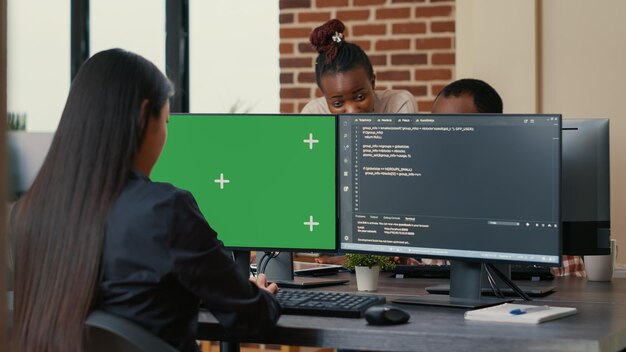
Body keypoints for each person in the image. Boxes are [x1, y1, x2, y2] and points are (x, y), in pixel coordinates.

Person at [9, 49, 280, 352]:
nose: (165, 134)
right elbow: (250, 317)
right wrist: (261, 297)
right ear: (143, 115)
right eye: (166, 121)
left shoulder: (26, 214)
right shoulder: (165, 211)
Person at [430, 78, 584, 277]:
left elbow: (571, 288)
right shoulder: (431, 199)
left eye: (455, 129)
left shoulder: (537, 199)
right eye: (435, 127)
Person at [301, 18, 417, 115]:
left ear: (372, 83)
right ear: (325, 97)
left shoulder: (398, 104)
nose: (352, 111)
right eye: (337, 104)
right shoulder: (314, 112)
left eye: (360, 97)